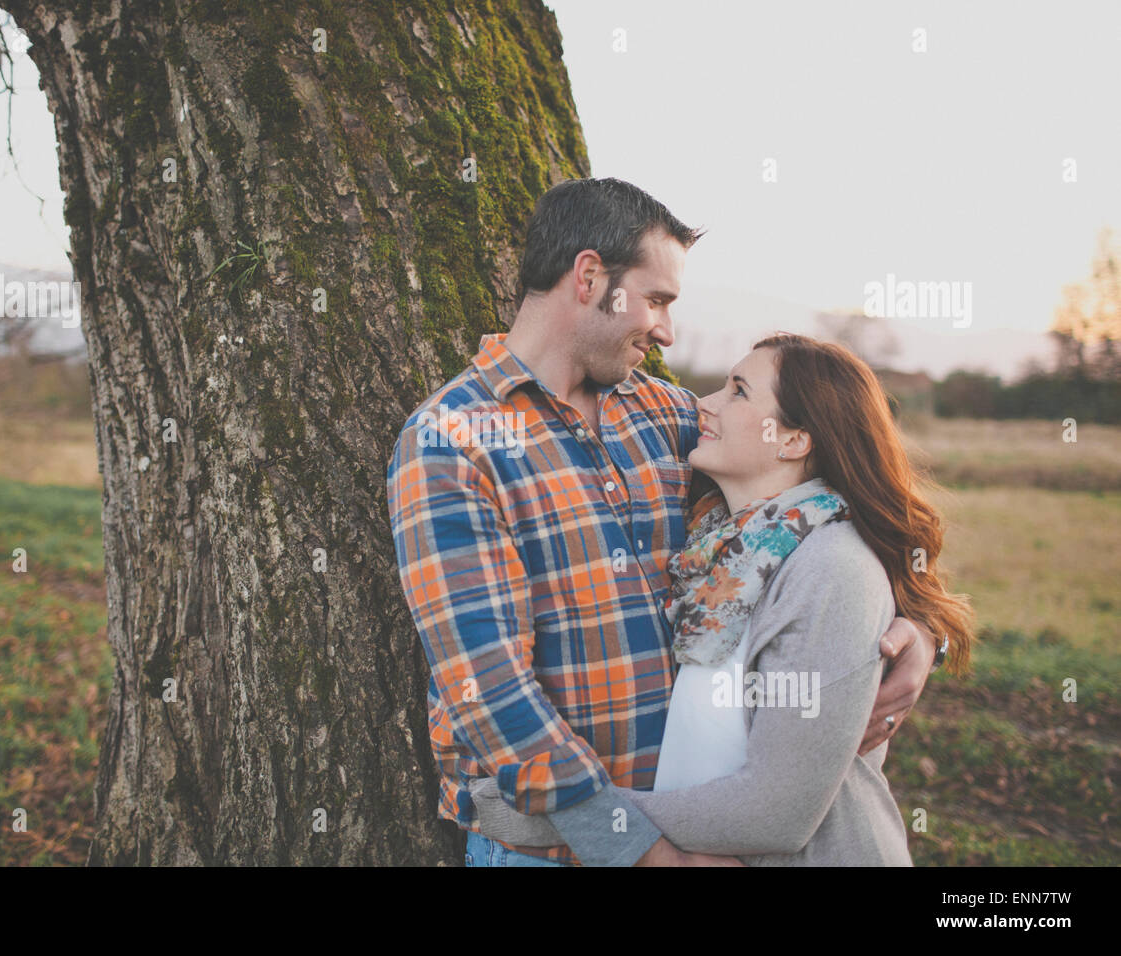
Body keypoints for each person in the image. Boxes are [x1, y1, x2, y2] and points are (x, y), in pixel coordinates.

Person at [386, 178, 944, 868]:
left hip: (698, 827)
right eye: (657, 300)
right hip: (551, 851)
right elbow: (488, 685)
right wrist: (640, 848)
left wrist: (913, 631)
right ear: (590, 277)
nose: (667, 330)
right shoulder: (453, 439)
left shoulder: (665, 414)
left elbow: (824, 501)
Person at [469, 334, 975, 864]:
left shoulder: (830, 568)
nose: (704, 404)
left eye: (738, 391)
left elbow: (776, 813)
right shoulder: (723, 550)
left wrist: (563, 818)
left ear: (795, 440)